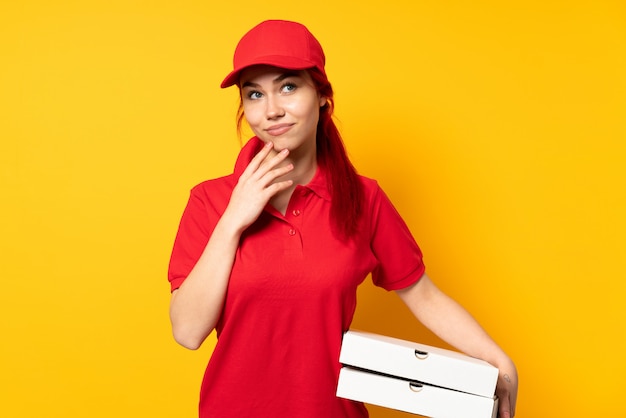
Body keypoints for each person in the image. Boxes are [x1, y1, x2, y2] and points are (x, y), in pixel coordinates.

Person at [168, 19, 518, 418]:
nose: (272, 111)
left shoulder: (363, 199)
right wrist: (234, 218)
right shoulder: (210, 201)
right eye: (254, 94)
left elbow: (423, 296)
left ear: (321, 95)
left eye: (288, 86)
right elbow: (187, 331)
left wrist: (499, 360)